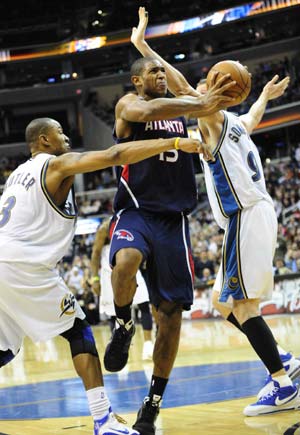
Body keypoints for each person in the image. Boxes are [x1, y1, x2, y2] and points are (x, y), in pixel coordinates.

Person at [131, 6, 300, 419]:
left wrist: (142, 46)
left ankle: (281, 383)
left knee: (242, 306)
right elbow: (256, 114)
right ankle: (284, 359)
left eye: (207, 83)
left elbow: (183, 85)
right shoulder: (238, 123)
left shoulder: (214, 117)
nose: (199, 88)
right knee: (222, 304)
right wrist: (263, 96)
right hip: (256, 215)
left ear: (216, 89)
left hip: (245, 215)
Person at [0, 117, 205, 435]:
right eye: (59, 132)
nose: (66, 137)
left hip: (5, 264)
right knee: (79, 332)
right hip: (23, 266)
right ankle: (104, 420)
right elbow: (113, 156)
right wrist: (174, 143)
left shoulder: (16, 176)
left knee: (5, 349)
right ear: (43, 140)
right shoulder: (55, 165)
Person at [101, 12, 236, 435]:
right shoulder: (130, 104)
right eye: (152, 72)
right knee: (126, 261)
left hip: (174, 220)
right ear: (136, 82)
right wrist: (198, 104)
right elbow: (155, 107)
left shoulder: (181, 100)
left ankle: (152, 404)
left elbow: (182, 90)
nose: (160, 75)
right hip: (135, 211)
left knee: (171, 316)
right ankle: (123, 323)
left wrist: (147, 47)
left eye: (163, 71)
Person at [91, 219, 154, 361]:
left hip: (130, 267)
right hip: (109, 273)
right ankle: (118, 349)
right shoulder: (105, 228)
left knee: (144, 304)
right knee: (115, 314)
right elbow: (95, 255)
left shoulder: (132, 221)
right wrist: (94, 279)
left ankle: (148, 345)